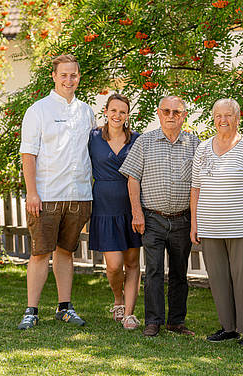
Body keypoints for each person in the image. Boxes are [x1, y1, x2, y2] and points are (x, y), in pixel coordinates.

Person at [17, 54, 95, 329]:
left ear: (78, 76)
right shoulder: (38, 110)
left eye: (73, 74)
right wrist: (32, 193)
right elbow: (28, 153)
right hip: (47, 195)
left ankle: (64, 307)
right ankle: (31, 310)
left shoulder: (86, 111)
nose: (68, 79)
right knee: (40, 253)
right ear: (54, 76)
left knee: (66, 251)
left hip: (79, 194)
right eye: (63, 74)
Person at [119, 96, 200, 337]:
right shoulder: (144, 142)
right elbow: (133, 178)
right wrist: (137, 213)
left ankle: (176, 321)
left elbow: (201, 182)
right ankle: (153, 321)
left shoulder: (194, 144)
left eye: (177, 111)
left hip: (182, 219)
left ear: (184, 115)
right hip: (152, 218)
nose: (171, 115)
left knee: (179, 272)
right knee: (153, 271)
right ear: (158, 113)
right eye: (166, 111)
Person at [190, 98, 243, 346]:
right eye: (219, 116)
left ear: (237, 118)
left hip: (240, 227)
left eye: (229, 116)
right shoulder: (202, 149)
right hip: (210, 227)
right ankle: (228, 327)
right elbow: (195, 189)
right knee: (219, 279)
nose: (223, 120)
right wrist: (195, 223)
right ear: (213, 119)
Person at [88, 93, 142, 330]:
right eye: (113, 110)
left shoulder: (137, 140)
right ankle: (117, 300)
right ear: (106, 112)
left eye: (122, 111)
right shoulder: (93, 138)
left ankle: (129, 313)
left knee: (131, 262)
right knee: (113, 265)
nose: (117, 115)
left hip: (131, 207)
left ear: (127, 115)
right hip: (104, 207)